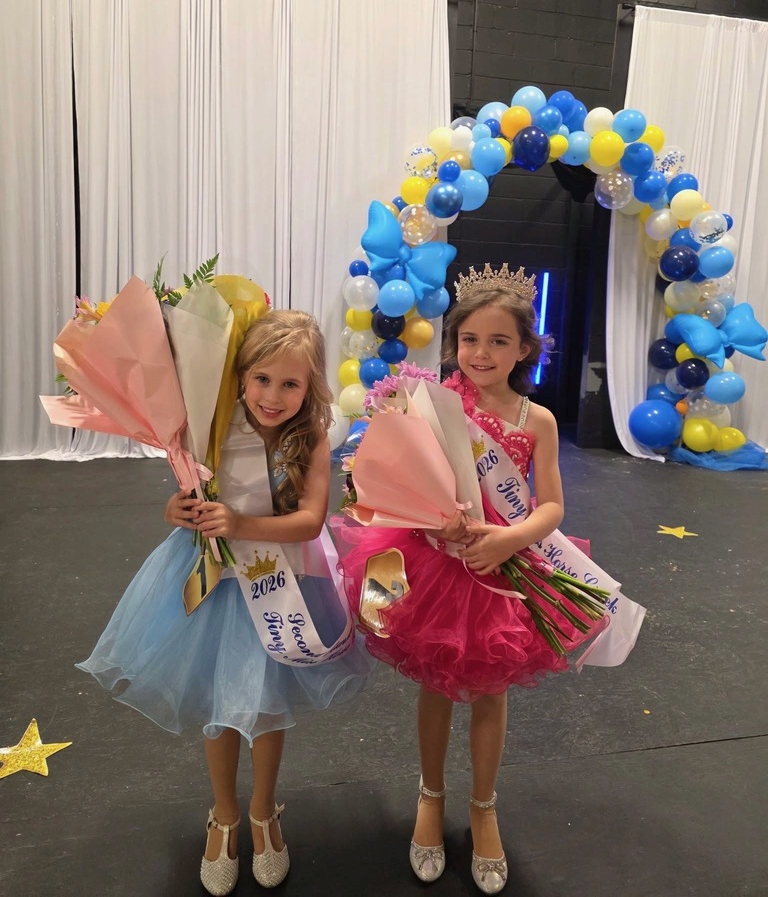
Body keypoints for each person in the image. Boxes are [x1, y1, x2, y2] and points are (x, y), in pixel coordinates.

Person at [77, 309, 370, 896]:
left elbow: (312, 521)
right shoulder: (211, 426)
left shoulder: (311, 438)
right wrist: (176, 511)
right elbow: (185, 494)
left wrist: (240, 520)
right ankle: (224, 814)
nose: (272, 395)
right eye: (261, 378)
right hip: (213, 582)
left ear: (310, 385)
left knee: (264, 707)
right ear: (239, 376)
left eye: (290, 383)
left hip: (284, 580)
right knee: (218, 701)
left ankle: (263, 811)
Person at [337, 265, 607, 895]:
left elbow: (551, 507)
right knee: (436, 684)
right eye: (470, 340)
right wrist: (436, 527)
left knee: (491, 692)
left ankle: (483, 807)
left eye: (499, 342)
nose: (482, 354)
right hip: (432, 566)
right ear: (453, 341)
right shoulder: (430, 404)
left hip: (503, 569)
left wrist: (512, 537)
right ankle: (431, 797)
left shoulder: (536, 420)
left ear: (524, 349)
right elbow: (392, 482)